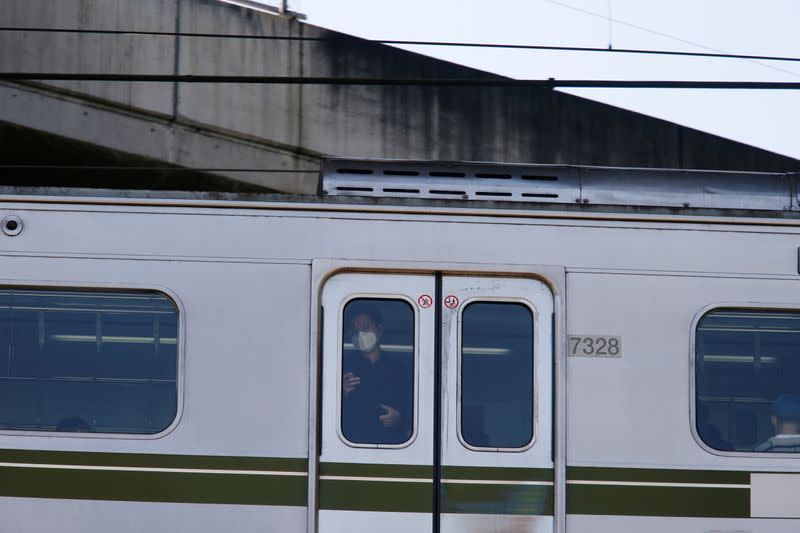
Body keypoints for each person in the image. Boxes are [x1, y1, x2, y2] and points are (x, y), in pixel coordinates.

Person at [341, 302, 413, 445]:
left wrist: (400, 419)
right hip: (351, 446)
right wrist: (342, 393)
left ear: (379, 330)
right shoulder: (342, 366)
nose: (360, 334)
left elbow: (414, 408)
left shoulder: (399, 369)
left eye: (365, 327)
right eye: (355, 330)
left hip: (394, 446)